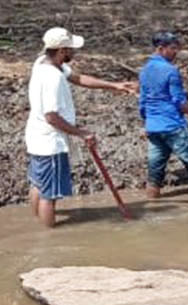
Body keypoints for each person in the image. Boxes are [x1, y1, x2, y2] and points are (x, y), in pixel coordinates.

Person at [25, 27, 137, 228]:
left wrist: (114, 86)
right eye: (71, 49)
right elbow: (51, 116)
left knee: (38, 184)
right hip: (51, 142)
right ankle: (48, 236)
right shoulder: (53, 77)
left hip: (36, 137)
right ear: (61, 51)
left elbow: (78, 78)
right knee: (49, 196)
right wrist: (81, 133)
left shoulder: (43, 62)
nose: (74, 52)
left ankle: (37, 224)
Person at [139, 31, 188, 201]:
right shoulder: (171, 71)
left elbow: (142, 102)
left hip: (154, 127)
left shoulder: (144, 70)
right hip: (173, 126)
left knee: (155, 172)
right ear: (160, 48)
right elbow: (179, 102)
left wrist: (147, 122)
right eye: (172, 48)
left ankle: (152, 203)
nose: (176, 52)